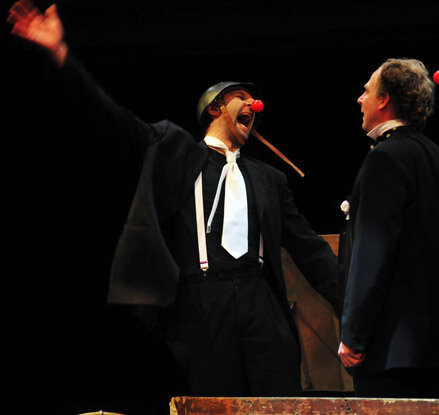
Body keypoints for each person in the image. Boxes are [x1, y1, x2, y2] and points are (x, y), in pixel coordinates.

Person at [7, 0, 340, 397]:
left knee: (277, 400)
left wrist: (354, 316)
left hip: (261, 303)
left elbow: (310, 251)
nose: (253, 105)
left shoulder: (270, 179)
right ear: (215, 107)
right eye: (241, 97)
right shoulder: (177, 151)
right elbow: (115, 121)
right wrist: (63, 55)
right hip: (203, 304)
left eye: (254, 100)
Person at [337, 58, 439, 398]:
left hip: (388, 347)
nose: (360, 99)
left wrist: (353, 335)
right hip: (428, 344)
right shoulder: (436, 155)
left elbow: (373, 253)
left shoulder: (385, 157)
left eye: (367, 91)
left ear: (384, 99)